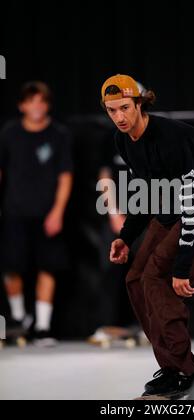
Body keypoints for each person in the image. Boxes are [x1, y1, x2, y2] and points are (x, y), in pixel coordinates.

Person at [101, 74, 194, 397]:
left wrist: (182, 266)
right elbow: (147, 193)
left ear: (140, 104)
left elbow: (193, 205)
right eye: (111, 110)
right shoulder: (123, 141)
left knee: (157, 278)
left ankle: (187, 371)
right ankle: (171, 368)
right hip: (169, 210)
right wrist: (126, 236)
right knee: (135, 277)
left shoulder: (173, 140)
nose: (119, 117)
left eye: (124, 108)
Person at [0, 81, 73, 347]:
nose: (37, 106)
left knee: (48, 266)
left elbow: (66, 176)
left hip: (47, 214)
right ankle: (19, 320)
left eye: (42, 101)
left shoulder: (59, 134)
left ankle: (42, 327)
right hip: (14, 212)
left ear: (48, 105)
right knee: (10, 267)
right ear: (22, 105)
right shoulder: (9, 132)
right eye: (31, 101)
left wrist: (57, 212)